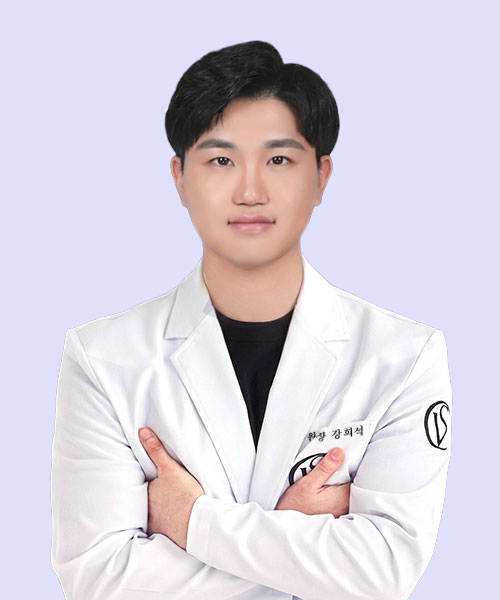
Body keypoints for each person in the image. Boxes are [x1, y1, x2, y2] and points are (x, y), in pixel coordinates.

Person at [51, 40, 452, 600]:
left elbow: (384, 572)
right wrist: (300, 545)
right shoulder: (103, 358)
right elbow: (100, 577)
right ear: (180, 177)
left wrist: (192, 521)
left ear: (321, 177)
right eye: (221, 160)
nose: (249, 191)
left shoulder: (404, 357)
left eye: (279, 160)